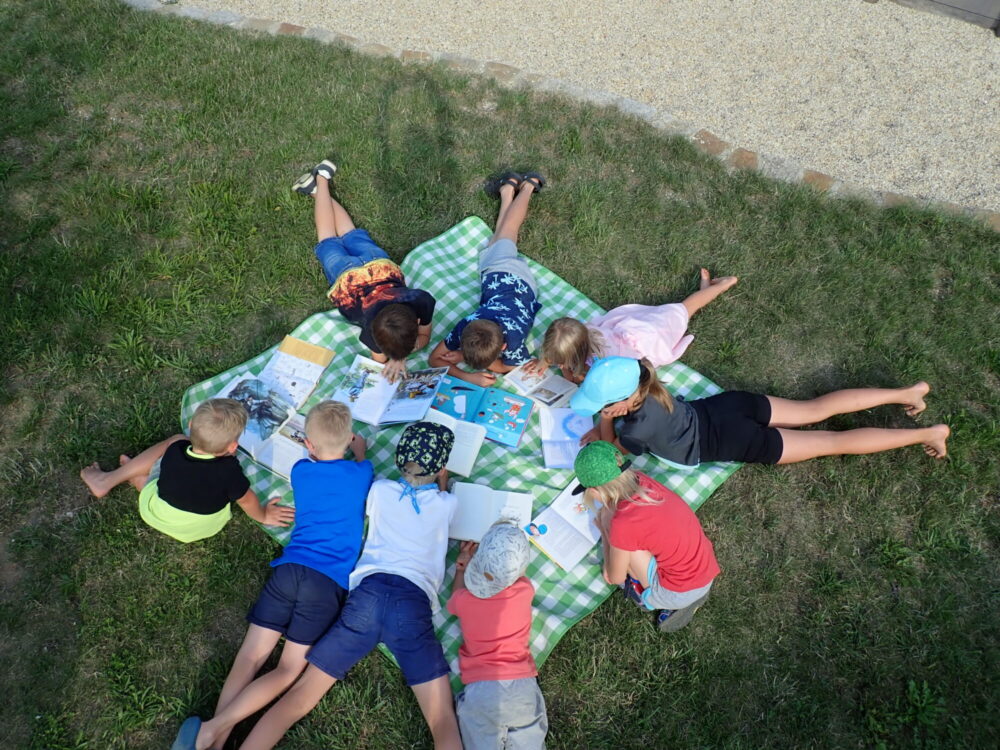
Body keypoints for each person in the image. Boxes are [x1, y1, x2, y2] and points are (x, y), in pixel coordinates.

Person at [232, 422, 463, 750]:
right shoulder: (447, 504)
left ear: (399, 459)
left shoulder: (380, 490)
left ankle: (229, 738)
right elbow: (440, 502)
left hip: (365, 598)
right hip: (410, 606)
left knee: (300, 697)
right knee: (441, 719)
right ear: (442, 469)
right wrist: (442, 482)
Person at [170, 401, 372, 750]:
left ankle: (214, 742)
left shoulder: (300, 470)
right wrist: (360, 448)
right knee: (288, 669)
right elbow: (360, 459)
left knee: (250, 656)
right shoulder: (362, 473)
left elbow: (321, 460)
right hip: (324, 584)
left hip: (289, 570)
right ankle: (210, 731)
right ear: (348, 438)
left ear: (308, 444)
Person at [572, 357, 950, 467]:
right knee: (813, 409)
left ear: (622, 404)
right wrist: (607, 413)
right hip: (731, 405)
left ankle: (926, 434)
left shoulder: (634, 429)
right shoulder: (648, 383)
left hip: (735, 440)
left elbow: (610, 452)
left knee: (832, 442)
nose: (600, 411)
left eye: (603, 405)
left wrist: (605, 424)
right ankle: (909, 393)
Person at [293, 159, 436, 382]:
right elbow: (383, 359)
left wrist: (400, 354)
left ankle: (318, 186)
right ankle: (319, 183)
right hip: (347, 279)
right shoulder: (370, 329)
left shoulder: (421, 300)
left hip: (379, 266)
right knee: (328, 238)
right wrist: (399, 358)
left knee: (349, 232)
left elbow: (422, 335)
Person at [79, 398, 294, 542]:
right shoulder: (229, 472)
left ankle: (132, 477)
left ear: (190, 424)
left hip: (155, 513)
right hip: (198, 530)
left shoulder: (175, 450)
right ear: (233, 447)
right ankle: (135, 480)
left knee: (173, 445)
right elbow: (246, 500)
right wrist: (264, 516)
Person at [573, 441, 720, 632]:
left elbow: (614, 576)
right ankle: (692, 595)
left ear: (594, 491)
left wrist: (605, 530)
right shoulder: (643, 481)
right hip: (704, 569)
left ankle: (664, 602)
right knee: (631, 541)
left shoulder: (622, 523)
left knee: (624, 552)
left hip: (678, 591)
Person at [429, 171, 546, 387]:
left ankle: (526, 186)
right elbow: (508, 366)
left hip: (509, 277)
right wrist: (467, 372)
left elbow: (503, 367)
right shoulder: (476, 329)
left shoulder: (505, 338)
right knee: (503, 237)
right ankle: (509, 190)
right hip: (504, 277)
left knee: (507, 232)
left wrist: (468, 367)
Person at [526, 268, 737, 383]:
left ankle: (723, 285)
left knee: (684, 310)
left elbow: (581, 380)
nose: (559, 365)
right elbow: (564, 351)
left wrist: (568, 374)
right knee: (681, 310)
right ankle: (705, 290)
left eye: (561, 362)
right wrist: (545, 362)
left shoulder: (603, 363)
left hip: (649, 338)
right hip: (629, 329)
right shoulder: (580, 334)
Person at [447, 522, 548, 749]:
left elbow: (453, 601)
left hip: (482, 688)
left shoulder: (463, 601)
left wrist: (462, 569)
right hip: (521, 684)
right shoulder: (524, 590)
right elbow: (515, 574)